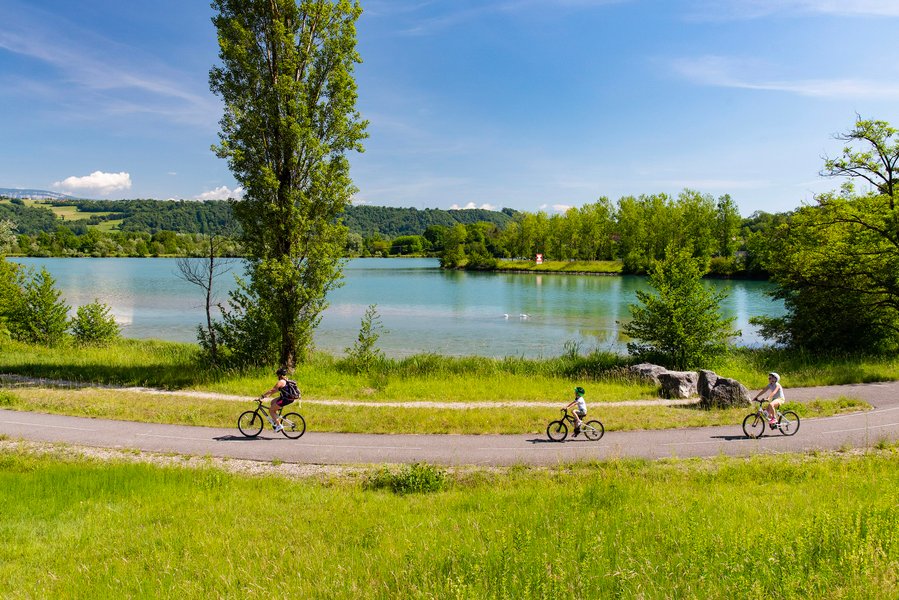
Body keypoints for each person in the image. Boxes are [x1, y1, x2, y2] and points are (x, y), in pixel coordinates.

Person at [260, 367, 301, 432]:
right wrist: (267, 396)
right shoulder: (286, 380)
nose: (277, 376)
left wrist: (262, 396)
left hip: (285, 399)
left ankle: (279, 425)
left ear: (279, 375)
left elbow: (272, 390)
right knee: (272, 402)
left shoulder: (281, 382)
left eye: (277, 375)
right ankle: (276, 418)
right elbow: (274, 391)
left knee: (271, 410)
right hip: (286, 398)